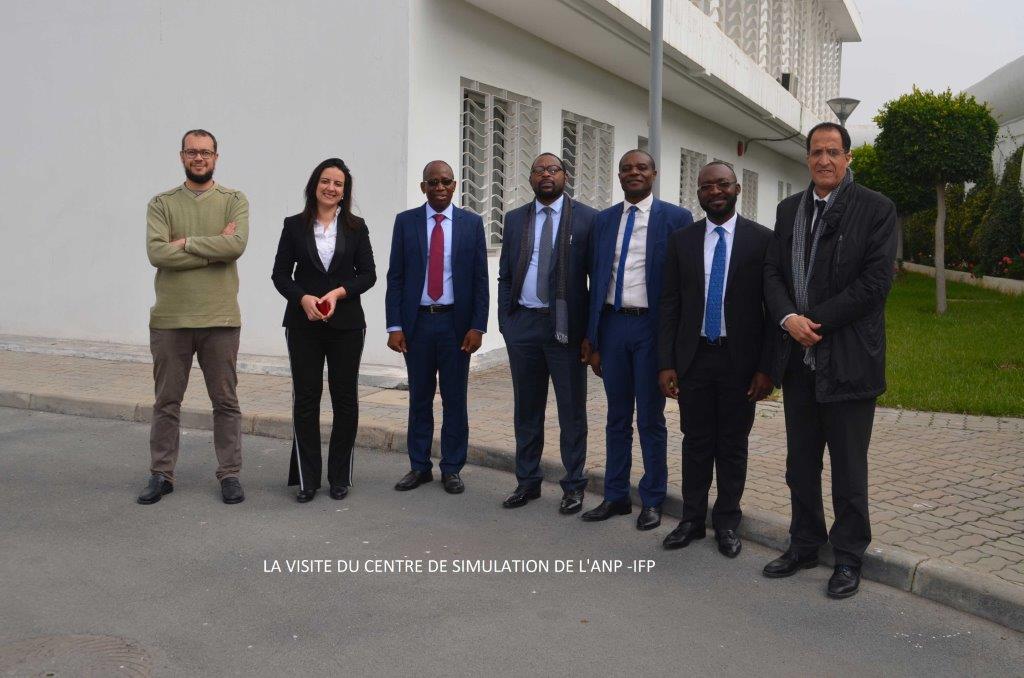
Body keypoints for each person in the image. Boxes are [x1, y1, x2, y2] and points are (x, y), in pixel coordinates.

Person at [762, 121, 897, 598]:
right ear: (807, 158)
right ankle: (804, 543)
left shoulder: (876, 210)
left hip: (849, 360)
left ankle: (848, 556)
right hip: (798, 361)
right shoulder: (788, 209)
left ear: (848, 157)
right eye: (817, 152)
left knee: (848, 467)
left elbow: (874, 285)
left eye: (833, 152)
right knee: (800, 463)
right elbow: (773, 273)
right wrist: (786, 319)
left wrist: (810, 320)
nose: (824, 160)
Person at [657, 161, 774, 557]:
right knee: (696, 442)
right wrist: (667, 362)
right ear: (698, 193)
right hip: (694, 360)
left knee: (733, 445)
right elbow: (670, 304)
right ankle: (691, 520)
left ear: (737, 188)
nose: (715, 192)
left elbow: (772, 311)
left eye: (722, 184)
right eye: (707, 186)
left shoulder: (762, 240)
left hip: (740, 362)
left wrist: (767, 369)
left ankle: (726, 522)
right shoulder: (682, 240)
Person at [581, 150, 692, 529]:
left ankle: (652, 499)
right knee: (615, 417)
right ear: (618, 174)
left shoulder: (676, 219)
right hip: (612, 327)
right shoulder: (604, 220)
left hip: (651, 328)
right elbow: (596, 282)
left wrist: (672, 352)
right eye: (627, 168)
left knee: (650, 418)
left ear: (654, 174)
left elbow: (682, 287)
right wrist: (592, 339)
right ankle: (614, 496)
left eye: (641, 167)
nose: (634, 173)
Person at [139, 129, 249, 505]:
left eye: (205, 152)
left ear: (216, 157)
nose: (198, 158)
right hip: (171, 319)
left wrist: (184, 242)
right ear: (181, 156)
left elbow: (236, 245)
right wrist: (213, 248)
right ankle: (161, 474)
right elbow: (157, 254)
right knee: (167, 402)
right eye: (192, 152)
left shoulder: (234, 200)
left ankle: (230, 474)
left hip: (220, 319)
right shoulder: (162, 203)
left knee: (226, 402)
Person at [497, 153, 597, 514]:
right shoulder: (514, 219)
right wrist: (505, 323)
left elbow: (596, 281)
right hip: (523, 324)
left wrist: (590, 334)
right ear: (530, 178)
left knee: (572, 410)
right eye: (539, 170)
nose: (546, 175)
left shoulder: (587, 219)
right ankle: (527, 482)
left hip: (565, 329)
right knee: (527, 409)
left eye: (553, 169)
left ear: (565, 176)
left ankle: (573, 486)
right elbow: (505, 274)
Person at [271, 158, 377, 503]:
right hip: (303, 324)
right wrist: (302, 298)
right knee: (306, 399)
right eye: (325, 181)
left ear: (345, 192)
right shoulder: (293, 226)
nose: (331, 188)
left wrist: (338, 292)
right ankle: (307, 478)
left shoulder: (356, 227)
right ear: (314, 185)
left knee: (345, 400)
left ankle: (338, 477)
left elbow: (368, 274)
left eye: (338, 184)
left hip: (346, 324)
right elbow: (280, 275)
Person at [385, 161, 488, 494]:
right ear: (423, 187)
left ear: (455, 185)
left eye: (445, 182)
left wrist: (478, 326)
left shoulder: (471, 224)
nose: (440, 187)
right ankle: (419, 466)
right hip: (417, 324)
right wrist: (394, 325)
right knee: (419, 397)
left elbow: (480, 279)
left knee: (455, 399)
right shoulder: (406, 222)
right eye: (433, 182)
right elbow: (396, 276)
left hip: (455, 324)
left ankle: (452, 468)